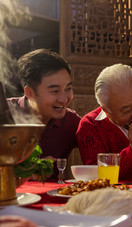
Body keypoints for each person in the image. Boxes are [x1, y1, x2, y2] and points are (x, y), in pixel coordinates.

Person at [7, 48, 81, 178]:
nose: (64, 99)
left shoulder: (71, 122)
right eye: (55, 91)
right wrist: (29, 169)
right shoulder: (5, 115)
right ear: (30, 93)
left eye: (68, 89)